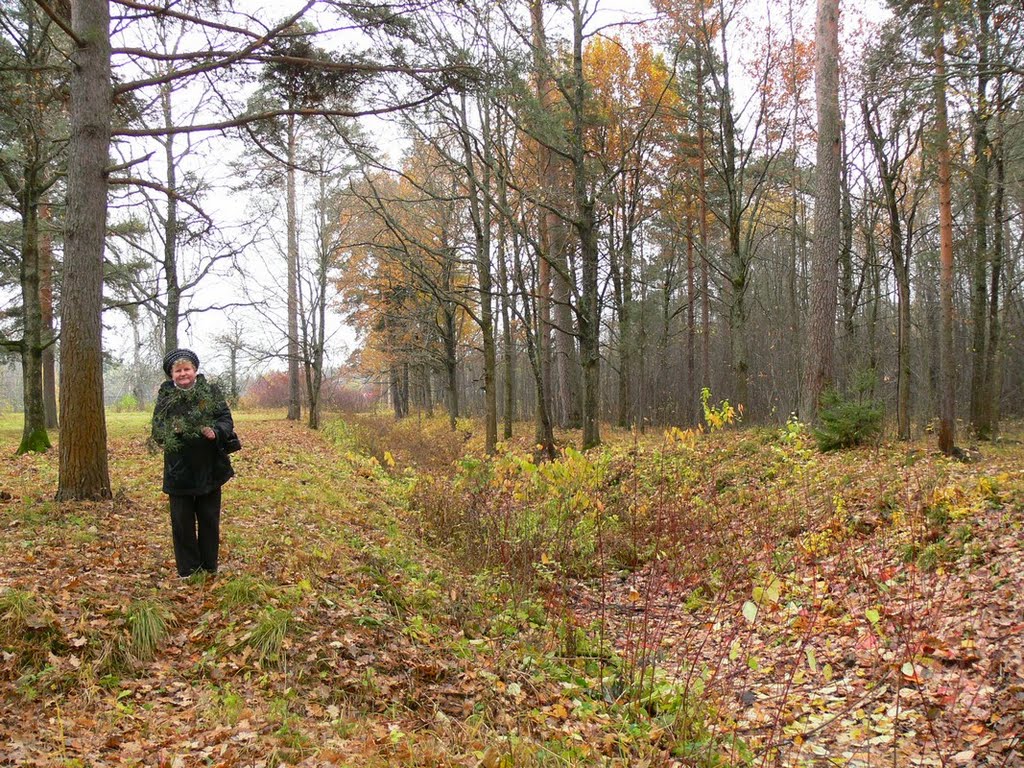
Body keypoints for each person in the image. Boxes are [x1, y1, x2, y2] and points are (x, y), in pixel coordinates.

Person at [151, 348, 235, 578]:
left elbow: (226, 419)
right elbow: (158, 429)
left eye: (187, 369)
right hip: (179, 470)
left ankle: (209, 567)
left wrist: (215, 431)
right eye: (178, 370)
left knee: (209, 518)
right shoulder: (166, 396)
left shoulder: (210, 391)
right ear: (171, 374)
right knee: (182, 521)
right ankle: (188, 569)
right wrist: (173, 431)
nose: (183, 374)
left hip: (210, 467)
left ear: (195, 370)